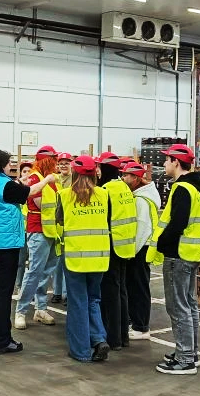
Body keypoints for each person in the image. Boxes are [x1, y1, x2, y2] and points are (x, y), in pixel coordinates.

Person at [0, 150, 56, 355]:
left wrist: (20, 181)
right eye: (10, 163)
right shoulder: (5, 185)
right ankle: (2, 340)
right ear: (1, 164)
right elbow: (29, 192)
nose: (11, 166)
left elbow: (7, 191)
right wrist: (47, 180)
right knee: (3, 293)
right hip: (3, 245)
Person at [154, 144, 200, 375]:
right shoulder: (196, 187)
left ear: (176, 162)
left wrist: (162, 242)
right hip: (192, 252)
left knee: (178, 307)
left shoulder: (182, 188)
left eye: (167, 160)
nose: (164, 164)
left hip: (178, 254)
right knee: (189, 304)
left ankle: (185, 359)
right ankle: (190, 353)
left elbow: (177, 223)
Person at [55, 155, 110, 363]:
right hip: (99, 257)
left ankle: (81, 351)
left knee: (78, 303)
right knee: (93, 299)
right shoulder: (104, 194)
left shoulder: (64, 195)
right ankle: (99, 339)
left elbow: (59, 220)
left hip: (75, 258)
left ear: (74, 173)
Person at [14, 145, 60, 330]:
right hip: (39, 230)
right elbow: (41, 203)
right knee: (34, 272)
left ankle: (40, 309)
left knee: (45, 272)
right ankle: (21, 311)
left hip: (51, 231)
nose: (56, 164)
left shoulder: (51, 179)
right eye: (54, 160)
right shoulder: (36, 178)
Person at [98, 152, 137, 351]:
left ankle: (113, 339)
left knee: (110, 294)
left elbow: (103, 218)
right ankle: (123, 336)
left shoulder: (105, 190)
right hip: (126, 246)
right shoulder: (124, 188)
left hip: (112, 246)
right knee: (121, 292)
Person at [122, 162, 163, 341]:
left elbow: (141, 228)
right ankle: (136, 322)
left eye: (126, 175)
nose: (123, 178)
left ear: (135, 178)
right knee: (137, 286)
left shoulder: (141, 200)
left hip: (140, 249)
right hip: (142, 248)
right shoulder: (145, 195)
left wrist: (130, 253)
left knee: (138, 288)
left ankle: (141, 327)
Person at [51, 152, 72, 305]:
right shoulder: (54, 179)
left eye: (66, 163)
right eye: (61, 163)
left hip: (69, 224)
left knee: (68, 261)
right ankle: (57, 292)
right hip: (55, 225)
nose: (63, 165)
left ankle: (66, 294)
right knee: (57, 261)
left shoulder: (75, 179)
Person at [14, 161, 32, 291]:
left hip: (33, 231)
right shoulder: (16, 189)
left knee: (33, 262)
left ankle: (29, 288)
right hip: (21, 231)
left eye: (29, 171)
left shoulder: (36, 189)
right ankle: (19, 286)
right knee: (20, 261)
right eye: (24, 171)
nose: (27, 174)